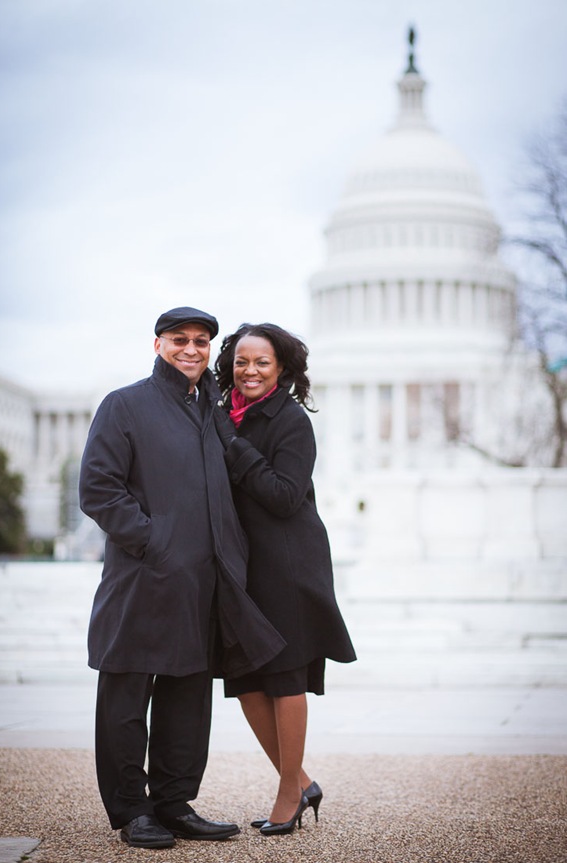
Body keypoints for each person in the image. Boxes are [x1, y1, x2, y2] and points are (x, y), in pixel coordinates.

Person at [79, 307, 285, 850]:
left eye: (200, 341)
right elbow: (99, 489)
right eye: (179, 340)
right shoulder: (124, 405)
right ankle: (132, 811)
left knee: (187, 700)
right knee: (126, 697)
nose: (190, 349)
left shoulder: (212, 414)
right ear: (158, 345)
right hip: (143, 578)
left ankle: (173, 804)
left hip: (202, 583)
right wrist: (155, 543)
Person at [213, 322, 357, 837]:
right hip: (241, 564)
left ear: (281, 369)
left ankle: (288, 792)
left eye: (262, 362)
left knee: (284, 675)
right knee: (246, 680)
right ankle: (301, 781)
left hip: (289, 562)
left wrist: (233, 444)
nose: (249, 371)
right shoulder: (219, 413)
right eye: (242, 361)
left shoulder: (291, 421)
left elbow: (283, 495)